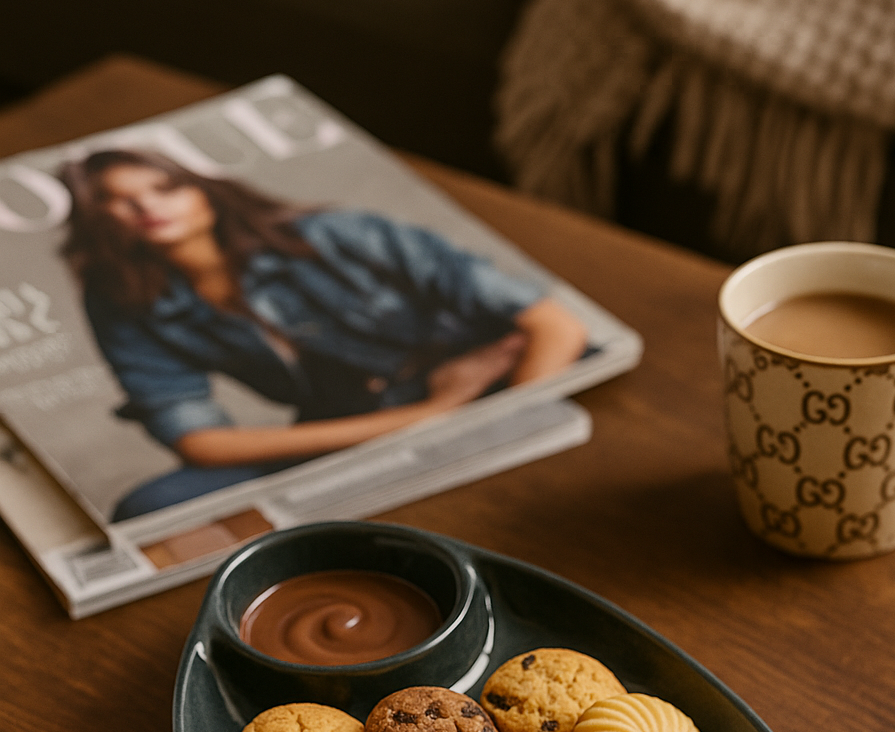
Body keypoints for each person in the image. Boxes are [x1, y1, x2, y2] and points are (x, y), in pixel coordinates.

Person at [60, 149, 589, 519]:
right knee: (151, 506)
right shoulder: (123, 302)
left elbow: (553, 324)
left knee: (576, 374)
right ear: (96, 218)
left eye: (165, 186)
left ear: (204, 191)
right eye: (117, 199)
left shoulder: (333, 234)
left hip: (482, 379)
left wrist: (494, 416)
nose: (148, 207)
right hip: (355, 422)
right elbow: (201, 442)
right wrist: (427, 416)